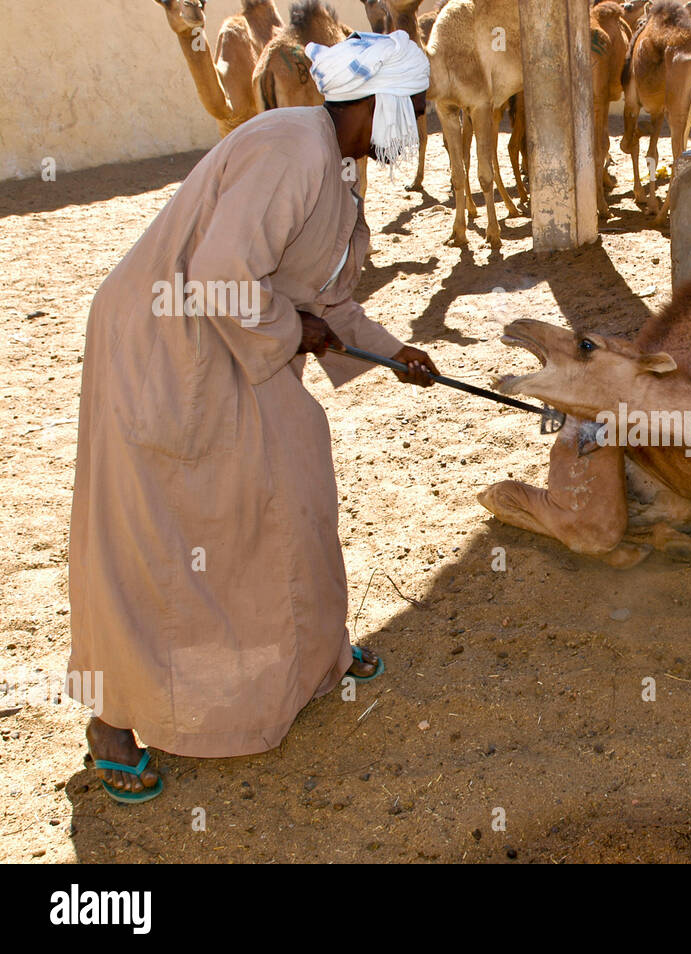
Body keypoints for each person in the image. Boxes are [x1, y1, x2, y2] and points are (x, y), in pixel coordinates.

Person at [69, 30, 438, 801]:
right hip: (166, 345)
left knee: (292, 476)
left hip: (236, 341)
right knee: (152, 530)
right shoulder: (292, 149)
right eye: (420, 106)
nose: (424, 122)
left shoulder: (335, 167)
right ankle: (111, 718)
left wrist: (394, 353)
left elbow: (325, 299)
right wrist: (294, 329)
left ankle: (309, 657)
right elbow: (217, 274)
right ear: (378, 104)